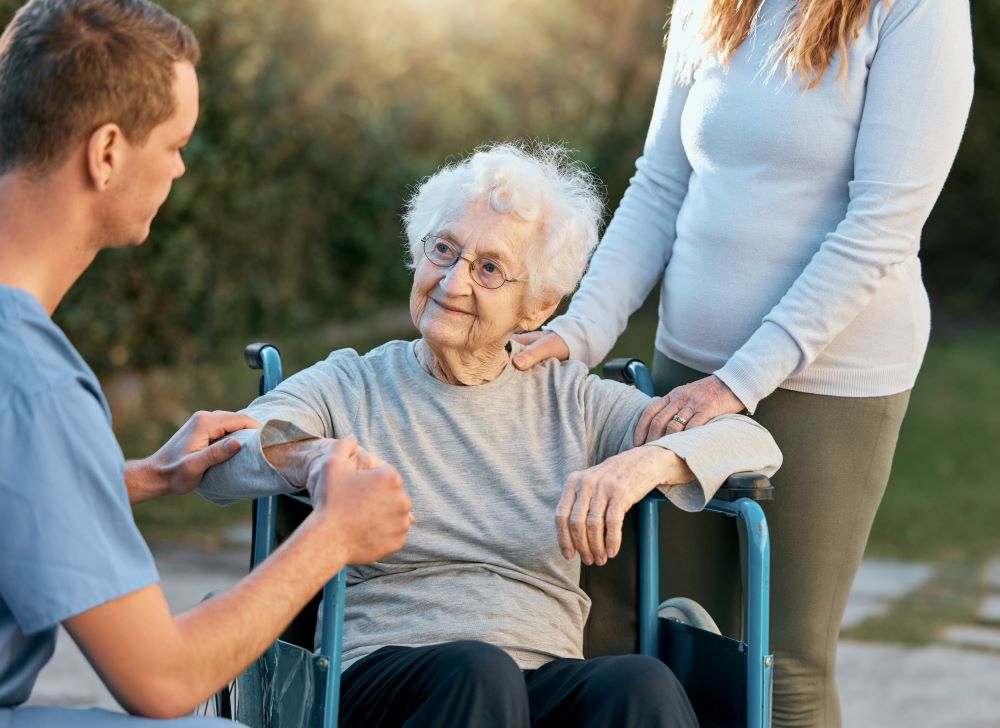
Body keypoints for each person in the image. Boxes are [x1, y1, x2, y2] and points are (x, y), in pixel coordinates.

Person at [197, 141, 783, 728]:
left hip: (541, 680)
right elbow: (222, 461)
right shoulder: (353, 383)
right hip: (386, 677)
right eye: (444, 250)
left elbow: (753, 443)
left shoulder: (571, 399)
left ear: (538, 308)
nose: (453, 283)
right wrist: (312, 457)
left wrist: (643, 465)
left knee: (641, 683)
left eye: (490, 269)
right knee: (480, 672)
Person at [510, 1, 975, 726]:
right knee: (672, 634)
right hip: (686, 373)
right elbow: (660, 183)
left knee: (780, 665)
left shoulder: (918, 10)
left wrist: (740, 380)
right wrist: (581, 331)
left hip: (828, 386)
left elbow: (882, 221)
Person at [0, 1, 413, 725]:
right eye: (174, 142)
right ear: (106, 154)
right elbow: (160, 678)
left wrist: (143, 478)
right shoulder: (33, 379)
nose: (182, 166)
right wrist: (331, 537)